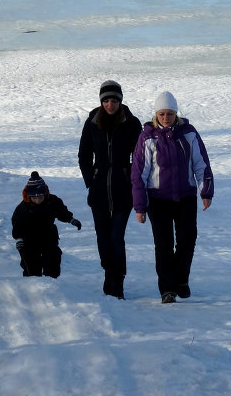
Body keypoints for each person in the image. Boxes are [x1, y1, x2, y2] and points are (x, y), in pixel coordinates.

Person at [131, 91, 214, 304]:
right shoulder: (147, 137)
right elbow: (139, 173)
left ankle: (181, 280)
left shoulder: (189, 134)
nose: (165, 118)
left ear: (175, 114)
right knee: (164, 245)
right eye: (161, 114)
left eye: (169, 113)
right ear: (156, 115)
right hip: (158, 200)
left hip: (185, 196)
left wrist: (206, 191)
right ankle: (167, 289)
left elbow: (200, 163)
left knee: (188, 240)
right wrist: (140, 206)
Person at [77, 79, 142, 299]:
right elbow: (84, 155)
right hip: (99, 191)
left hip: (124, 190)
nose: (110, 104)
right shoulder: (92, 122)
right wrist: (91, 179)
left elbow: (140, 157)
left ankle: (118, 282)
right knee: (103, 238)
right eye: (106, 100)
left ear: (120, 101)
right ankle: (109, 274)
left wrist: (132, 177)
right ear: (101, 101)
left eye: (114, 100)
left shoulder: (132, 123)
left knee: (116, 237)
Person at [11, 171, 82, 277]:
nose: (38, 200)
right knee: (30, 263)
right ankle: (32, 284)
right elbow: (17, 225)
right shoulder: (23, 208)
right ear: (29, 196)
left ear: (45, 193)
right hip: (29, 238)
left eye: (40, 197)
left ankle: (52, 283)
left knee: (53, 257)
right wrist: (19, 238)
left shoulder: (52, 201)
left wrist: (71, 220)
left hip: (48, 235)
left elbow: (61, 212)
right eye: (34, 198)